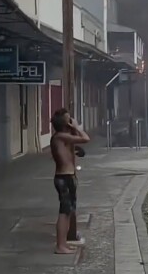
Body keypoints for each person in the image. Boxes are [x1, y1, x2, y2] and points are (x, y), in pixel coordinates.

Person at [50, 108, 90, 254]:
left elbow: (72, 150)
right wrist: (77, 127)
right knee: (64, 211)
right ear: (66, 123)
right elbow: (86, 138)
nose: (72, 120)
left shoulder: (64, 138)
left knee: (68, 212)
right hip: (64, 178)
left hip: (68, 177)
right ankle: (60, 246)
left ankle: (64, 243)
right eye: (69, 119)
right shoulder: (60, 137)